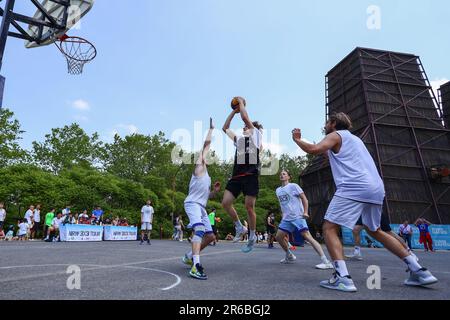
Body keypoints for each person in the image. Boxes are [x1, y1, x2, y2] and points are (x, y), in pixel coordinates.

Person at [292, 112, 438, 292]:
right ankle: (419, 270)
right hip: (375, 188)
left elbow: (314, 149)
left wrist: (297, 140)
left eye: (327, 123)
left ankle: (342, 277)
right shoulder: (355, 140)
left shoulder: (336, 135)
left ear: (334, 123)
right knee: (375, 229)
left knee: (329, 228)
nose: (325, 126)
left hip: (354, 186)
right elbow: (328, 154)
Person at [221, 97, 264, 253]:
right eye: (244, 126)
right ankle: (240, 227)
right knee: (225, 202)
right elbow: (225, 128)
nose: (244, 127)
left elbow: (245, 117)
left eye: (246, 126)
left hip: (251, 175)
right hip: (237, 176)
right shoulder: (239, 139)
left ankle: (252, 236)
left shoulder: (257, 135)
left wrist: (241, 102)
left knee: (249, 206)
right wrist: (234, 111)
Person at [182, 118, 221, 280]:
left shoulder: (207, 177)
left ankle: (189, 256)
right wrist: (211, 129)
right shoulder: (199, 167)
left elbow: (207, 197)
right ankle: (195, 266)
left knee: (211, 236)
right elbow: (206, 145)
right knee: (198, 230)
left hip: (201, 207)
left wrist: (214, 192)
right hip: (192, 204)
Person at [276, 170, 333, 269]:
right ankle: (289, 256)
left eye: (284, 174)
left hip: (298, 216)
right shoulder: (278, 190)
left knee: (308, 237)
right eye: (280, 174)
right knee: (279, 237)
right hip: (286, 218)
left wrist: (305, 212)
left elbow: (304, 199)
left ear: (289, 177)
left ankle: (326, 261)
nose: (281, 175)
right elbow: (282, 205)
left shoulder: (293, 186)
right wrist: (282, 216)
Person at [345, 214, 417, 261]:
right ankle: (357, 252)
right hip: (364, 213)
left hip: (376, 212)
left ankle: (409, 252)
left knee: (390, 233)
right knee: (355, 229)